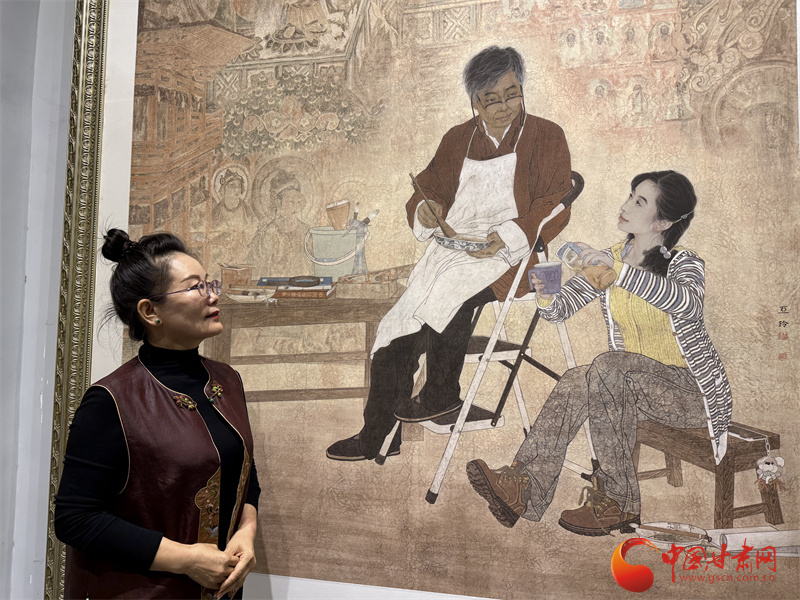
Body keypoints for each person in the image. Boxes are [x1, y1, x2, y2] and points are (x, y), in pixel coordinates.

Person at [326, 46, 572, 461]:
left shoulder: (546, 135)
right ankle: (379, 434)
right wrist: (427, 208)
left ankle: (440, 394)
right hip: (455, 250)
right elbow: (428, 187)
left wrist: (509, 235)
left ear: (522, 89)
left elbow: (556, 203)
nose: (503, 107)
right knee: (397, 324)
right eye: (490, 100)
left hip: (516, 256)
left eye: (512, 95)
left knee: (448, 297)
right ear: (474, 100)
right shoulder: (458, 139)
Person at [466, 171, 733, 536]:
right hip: (632, 388)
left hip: (692, 394)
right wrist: (547, 290)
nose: (625, 205)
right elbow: (559, 311)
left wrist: (618, 272)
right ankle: (523, 488)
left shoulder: (684, 263)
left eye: (639, 202)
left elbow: (685, 303)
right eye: (630, 196)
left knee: (608, 367)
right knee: (578, 379)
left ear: (663, 222)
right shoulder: (610, 259)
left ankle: (619, 501)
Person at [55, 229, 260, 598]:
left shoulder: (228, 380)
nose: (213, 294)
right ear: (150, 312)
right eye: (195, 287)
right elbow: (75, 519)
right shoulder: (111, 400)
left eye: (209, 283)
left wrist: (246, 533)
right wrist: (187, 559)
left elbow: (244, 476)